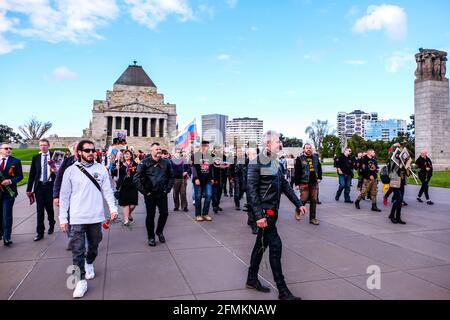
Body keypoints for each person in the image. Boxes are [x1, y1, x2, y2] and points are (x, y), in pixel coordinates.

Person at [246, 130, 307, 300]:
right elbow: (251, 191)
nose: (279, 144)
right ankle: (283, 290)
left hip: (272, 212)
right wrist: (258, 216)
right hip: (265, 213)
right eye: (277, 141)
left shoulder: (275, 162)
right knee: (275, 246)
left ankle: (251, 278)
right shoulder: (256, 163)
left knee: (260, 246)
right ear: (268, 144)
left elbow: (285, 186)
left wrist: (299, 203)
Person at [59, 140, 118, 298]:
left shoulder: (101, 169)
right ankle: (80, 281)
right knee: (77, 250)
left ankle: (89, 262)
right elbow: (64, 196)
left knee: (94, 245)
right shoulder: (70, 171)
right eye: (87, 150)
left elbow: (107, 191)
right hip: (77, 216)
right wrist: (63, 218)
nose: (91, 153)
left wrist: (113, 208)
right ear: (79, 152)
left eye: (93, 150)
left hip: (95, 215)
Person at [134, 142, 174, 247]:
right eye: (156, 149)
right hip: (150, 193)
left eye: (160, 149)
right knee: (150, 216)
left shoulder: (166, 162)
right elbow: (136, 178)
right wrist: (145, 192)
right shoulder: (144, 163)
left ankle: (159, 231)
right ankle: (151, 237)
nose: (159, 150)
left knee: (164, 213)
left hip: (162, 193)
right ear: (151, 150)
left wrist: (167, 189)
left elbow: (171, 177)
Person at [27, 139, 57, 241]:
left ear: (49, 145)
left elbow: (61, 171)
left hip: (50, 186)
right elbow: (32, 174)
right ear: (39, 147)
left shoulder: (55, 156)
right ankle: (40, 232)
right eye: (41, 145)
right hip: (39, 186)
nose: (43, 147)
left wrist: (55, 170)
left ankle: (51, 222)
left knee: (49, 208)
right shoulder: (36, 158)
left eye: (45, 145)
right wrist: (29, 189)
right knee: (39, 210)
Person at [53, 141, 78, 250]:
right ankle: (72, 238)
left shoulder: (91, 162)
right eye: (76, 149)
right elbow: (58, 179)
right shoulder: (67, 161)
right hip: (67, 194)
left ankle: (77, 241)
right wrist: (56, 196)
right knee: (68, 218)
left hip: (80, 196)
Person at [0, 143, 23, 246]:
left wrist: (10, 181)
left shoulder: (16, 161)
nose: (8, 150)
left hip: (9, 193)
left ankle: (6, 237)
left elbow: (20, 176)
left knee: (6, 215)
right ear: (0, 150)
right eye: (6, 148)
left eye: (10, 148)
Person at [293, 143, 322, 225]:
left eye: (310, 148)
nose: (309, 149)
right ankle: (298, 210)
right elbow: (297, 172)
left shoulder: (316, 158)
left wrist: (319, 177)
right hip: (304, 182)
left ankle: (312, 218)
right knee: (304, 199)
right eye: (307, 148)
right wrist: (297, 184)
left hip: (314, 182)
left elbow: (319, 168)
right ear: (304, 149)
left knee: (314, 200)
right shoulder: (300, 159)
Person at [113, 150, 139, 226]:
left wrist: (139, 164)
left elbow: (139, 172)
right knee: (125, 203)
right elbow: (114, 173)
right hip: (123, 186)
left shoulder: (135, 164)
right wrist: (116, 168)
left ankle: (129, 213)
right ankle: (126, 220)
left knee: (133, 204)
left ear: (131, 155)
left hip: (133, 186)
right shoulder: (119, 163)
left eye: (128, 154)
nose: (126, 155)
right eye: (125, 154)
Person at [192, 141, 214, 222]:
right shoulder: (196, 155)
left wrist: (212, 178)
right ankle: (198, 214)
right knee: (198, 197)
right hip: (198, 179)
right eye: (204, 146)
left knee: (209, 195)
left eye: (207, 146)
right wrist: (196, 178)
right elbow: (193, 168)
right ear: (201, 146)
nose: (206, 147)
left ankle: (205, 213)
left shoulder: (209, 156)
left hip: (207, 179)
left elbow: (211, 168)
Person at [387, 154, 411, 225]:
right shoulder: (394, 162)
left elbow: (408, 174)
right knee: (399, 199)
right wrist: (401, 165)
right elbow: (394, 171)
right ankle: (392, 215)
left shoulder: (404, 163)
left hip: (402, 184)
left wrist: (407, 167)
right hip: (395, 183)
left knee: (400, 201)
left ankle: (398, 217)